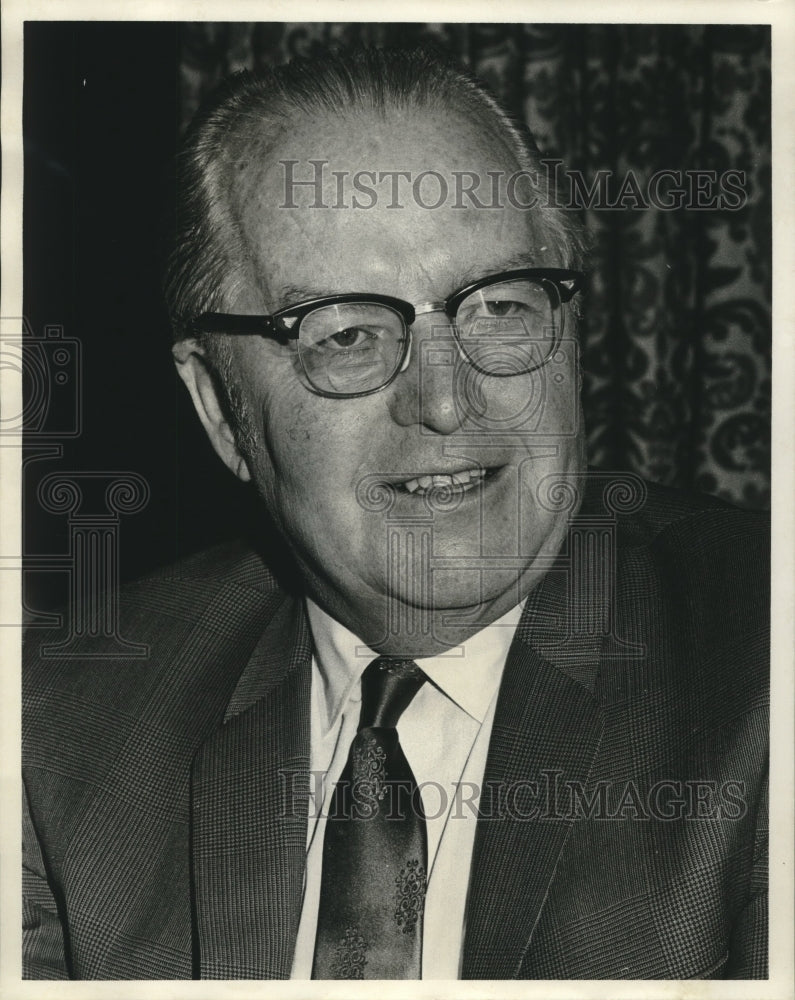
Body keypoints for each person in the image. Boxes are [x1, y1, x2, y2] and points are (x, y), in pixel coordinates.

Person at [22, 46, 768, 980]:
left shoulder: (757, 666)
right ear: (219, 407)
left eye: (498, 306)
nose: (446, 402)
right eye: (346, 334)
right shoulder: (56, 722)